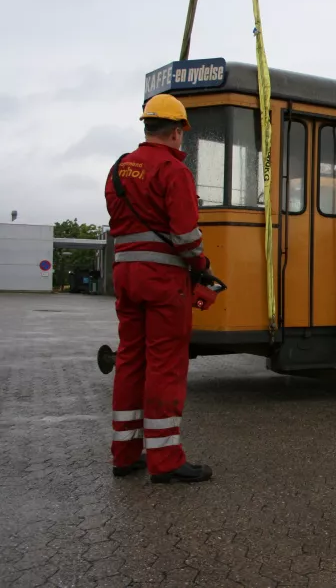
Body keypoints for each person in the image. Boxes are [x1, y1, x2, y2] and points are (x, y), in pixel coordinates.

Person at [104, 93, 213, 484]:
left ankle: (124, 452)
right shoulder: (173, 171)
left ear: (147, 126)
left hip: (125, 277)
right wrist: (202, 267)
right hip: (163, 281)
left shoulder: (119, 168)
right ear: (177, 131)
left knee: (131, 361)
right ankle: (165, 460)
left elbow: (122, 224)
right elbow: (185, 236)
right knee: (165, 364)